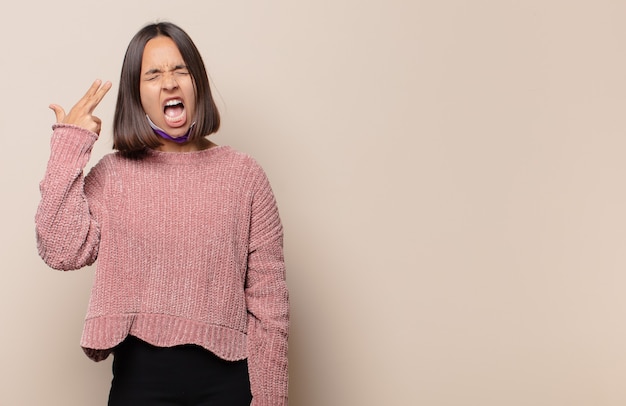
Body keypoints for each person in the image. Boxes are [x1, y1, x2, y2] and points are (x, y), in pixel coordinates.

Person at [35, 21, 289, 406]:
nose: (169, 82)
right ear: (137, 95)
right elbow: (59, 248)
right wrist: (70, 144)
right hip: (140, 383)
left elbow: (270, 305)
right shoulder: (114, 175)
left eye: (180, 70)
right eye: (153, 75)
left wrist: (270, 399)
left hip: (229, 384)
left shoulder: (244, 175)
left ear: (196, 83)